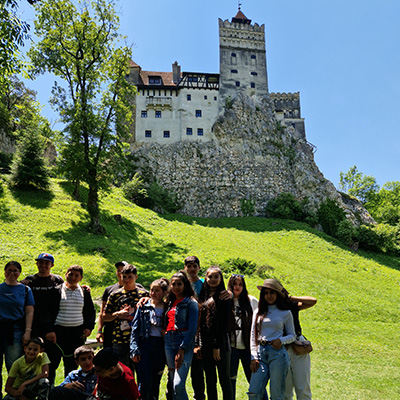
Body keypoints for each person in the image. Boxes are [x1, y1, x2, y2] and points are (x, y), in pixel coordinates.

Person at [248, 279, 295, 400]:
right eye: (266, 293)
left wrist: (281, 340)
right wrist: (254, 357)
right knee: (254, 392)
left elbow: (292, 335)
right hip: (260, 353)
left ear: (277, 295)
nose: (268, 296)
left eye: (272, 293)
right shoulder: (258, 311)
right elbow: (253, 335)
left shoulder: (285, 313)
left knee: (276, 395)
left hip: (278, 354)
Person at [21, 253, 64, 385]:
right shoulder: (30, 281)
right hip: (33, 326)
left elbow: (71, 289)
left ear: (52, 265)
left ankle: (48, 389)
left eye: (46, 263)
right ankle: (28, 388)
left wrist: (85, 289)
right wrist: (19, 284)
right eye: (40, 262)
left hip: (52, 326)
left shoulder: (57, 280)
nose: (43, 265)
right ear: (37, 264)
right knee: (32, 358)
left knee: (51, 360)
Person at [48, 265, 96, 379]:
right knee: (52, 365)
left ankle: (69, 391)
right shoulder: (56, 291)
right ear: (65, 274)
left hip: (76, 335)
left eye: (76, 275)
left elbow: (90, 311)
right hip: (57, 334)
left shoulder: (84, 292)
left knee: (72, 366)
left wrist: (89, 328)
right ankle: (49, 393)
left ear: (81, 278)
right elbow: (48, 312)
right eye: (70, 274)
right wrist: (49, 330)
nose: (73, 277)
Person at [0, 261, 35, 399]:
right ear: (4, 272)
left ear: (19, 273)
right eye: (9, 270)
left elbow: (29, 312)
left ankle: (14, 394)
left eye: (15, 270)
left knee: (14, 364)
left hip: (15, 330)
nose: (12, 273)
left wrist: (27, 331)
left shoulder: (25, 290)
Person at [130, 277, 169, 400]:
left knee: (156, 380)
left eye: (157, 291)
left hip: (160, 346)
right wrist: (134, 349)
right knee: (145, 380)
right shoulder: (143, 306)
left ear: (164, 292)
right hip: (145, 344)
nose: (153, 293)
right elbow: (135, 329)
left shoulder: (168, 308)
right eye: (152, 290)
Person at [103, 264, 149, 367]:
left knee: (142, 371)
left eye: (130, 277)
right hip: (120, 338)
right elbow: (105, 316)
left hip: (140, 338)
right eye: (124, 277)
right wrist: (117, 314)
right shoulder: (115, 295)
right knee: (123, 371)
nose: (127, 280)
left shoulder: (144, 294)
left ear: (136, 277)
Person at [198, 266, 233, 400]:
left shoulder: (224, 297)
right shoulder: (204, 295)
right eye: (210, 276)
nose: (213, 279)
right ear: (206, 278)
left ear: (221, 278)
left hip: (220, 344)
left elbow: (222, 324)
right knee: (210, 380)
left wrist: (216, 346)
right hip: (205, 344)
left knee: (224, 379)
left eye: (216, 276)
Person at [164, 270, 199, 400]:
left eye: (179, 284)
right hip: (168, 342)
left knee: (178, 384)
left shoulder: (191, 303)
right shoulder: (169, 302)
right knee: (172, 382)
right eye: (173, 284)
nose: (176, 287)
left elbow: (192, 329)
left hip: (183, 342)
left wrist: (182, 349)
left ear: (185, 285)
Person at [227, 274, 259, 399]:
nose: (237, 287)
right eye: (234, 284)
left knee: (255, 381)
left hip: (248, 348)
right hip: (231, 348)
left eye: (240, 284)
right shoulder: (226, 302)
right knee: (230, 381)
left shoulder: (251, 301)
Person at [282, 288, 317, 400]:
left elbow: (312, 301)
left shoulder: (292, 304)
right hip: (281, 348)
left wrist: (291, 298)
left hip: (297, 345)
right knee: (285, 391)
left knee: (303, 389)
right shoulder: (268, 308)